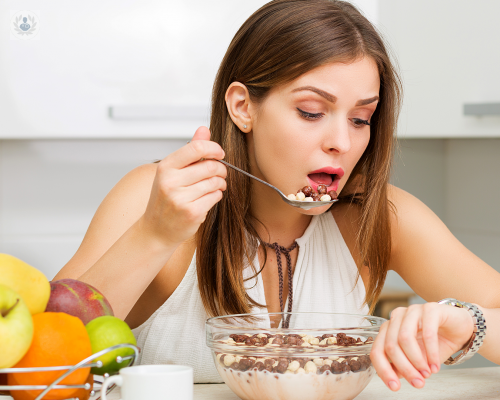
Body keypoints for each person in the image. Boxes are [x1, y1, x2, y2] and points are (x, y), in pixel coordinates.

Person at [54, 0, 500, 391]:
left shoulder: (380, 216)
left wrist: (471, 324)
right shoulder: (154, 199)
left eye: (362, 118)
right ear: (243, 107)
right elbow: (36, 354)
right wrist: (154, 234)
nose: (341, 142)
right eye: (312, 112)